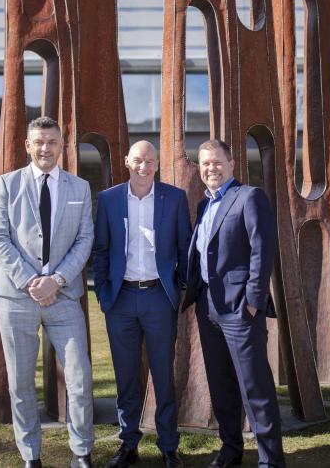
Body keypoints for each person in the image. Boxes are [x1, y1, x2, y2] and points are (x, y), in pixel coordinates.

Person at [0, 116, 94, 468]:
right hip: (17, 296)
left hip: (63, 297)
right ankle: (30, 455)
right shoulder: (6, 184)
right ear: (28, 146)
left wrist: (57, 280)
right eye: (40, 142)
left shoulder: (79, 188)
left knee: (79, 379)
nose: (46, 148)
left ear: (61, 146)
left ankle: (81, 451)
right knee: (20, 384)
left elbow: (85, 240)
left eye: (52, 142)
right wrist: (31, 281)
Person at [182, 140, 285, 468]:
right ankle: (231, 449)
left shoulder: (249, 197)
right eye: (204, 164)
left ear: (231, 162)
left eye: (216, 162)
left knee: (255, 386)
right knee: (221, 382)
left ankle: (270, 459)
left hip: (241, 309)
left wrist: (253, 302)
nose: (210, 168)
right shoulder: (203, 206)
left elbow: (262, 250)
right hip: (208, 308)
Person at [93, 141, 191, 468]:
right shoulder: (108, 200)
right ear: (126, 161)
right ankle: (128, 445)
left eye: (150, 160)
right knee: (126, 377)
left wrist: (176, 290)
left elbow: (184, 249)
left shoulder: (174, 198)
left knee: (163, 376)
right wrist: (105, 295)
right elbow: (101, 251)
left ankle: (168, 447)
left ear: (157, 163)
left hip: (158, 299)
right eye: (137, 160)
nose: (143, 166)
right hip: (120, 299)